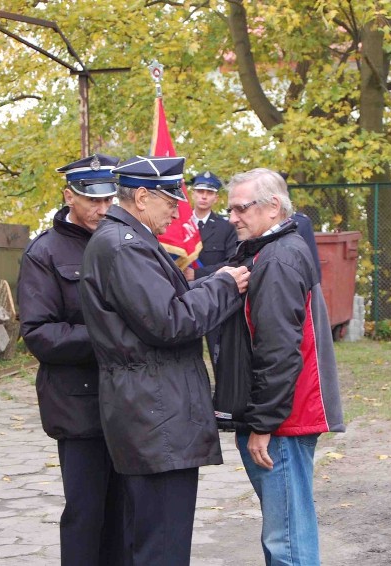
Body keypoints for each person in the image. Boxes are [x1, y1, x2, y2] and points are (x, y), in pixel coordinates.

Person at [79, 155, 250, 566]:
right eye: (170, 199)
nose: (179, 208)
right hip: (156, 416)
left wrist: (210, 282)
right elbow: (170, 322)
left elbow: (159, 305)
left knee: (152, 539)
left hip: (151, 412)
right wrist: (224, 287)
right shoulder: (124, 247)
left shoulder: (126, 242)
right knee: (163, 545)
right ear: (141, 197)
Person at [212, 168, 345, 566]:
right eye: (230, 208)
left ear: (273, 207)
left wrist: (264, 424)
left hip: (283, 421)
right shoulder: (267, 251)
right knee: (284, 532)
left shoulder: (278, 258)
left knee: (286, 539)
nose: (232, 216)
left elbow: (279, 351)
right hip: (280, 415)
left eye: (240, 207)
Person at [17, 154, 124, 566]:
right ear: (69, 196)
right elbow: (40, 334)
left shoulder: (120, 241)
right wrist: (110, 338)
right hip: (78, 402)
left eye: (108, 199)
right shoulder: (45, 252)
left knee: (125, 511)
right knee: (86, 513)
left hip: (127, 398)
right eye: (91, 200)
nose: (102, 208)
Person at [182, 171, 238, 281]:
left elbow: (232, 262)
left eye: (209, 193)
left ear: (216, 198)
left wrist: (197, 274)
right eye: (200, 191)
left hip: (213, 288)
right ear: (193, 194)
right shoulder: (181, 224)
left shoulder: (227, 227)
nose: (204, 196)